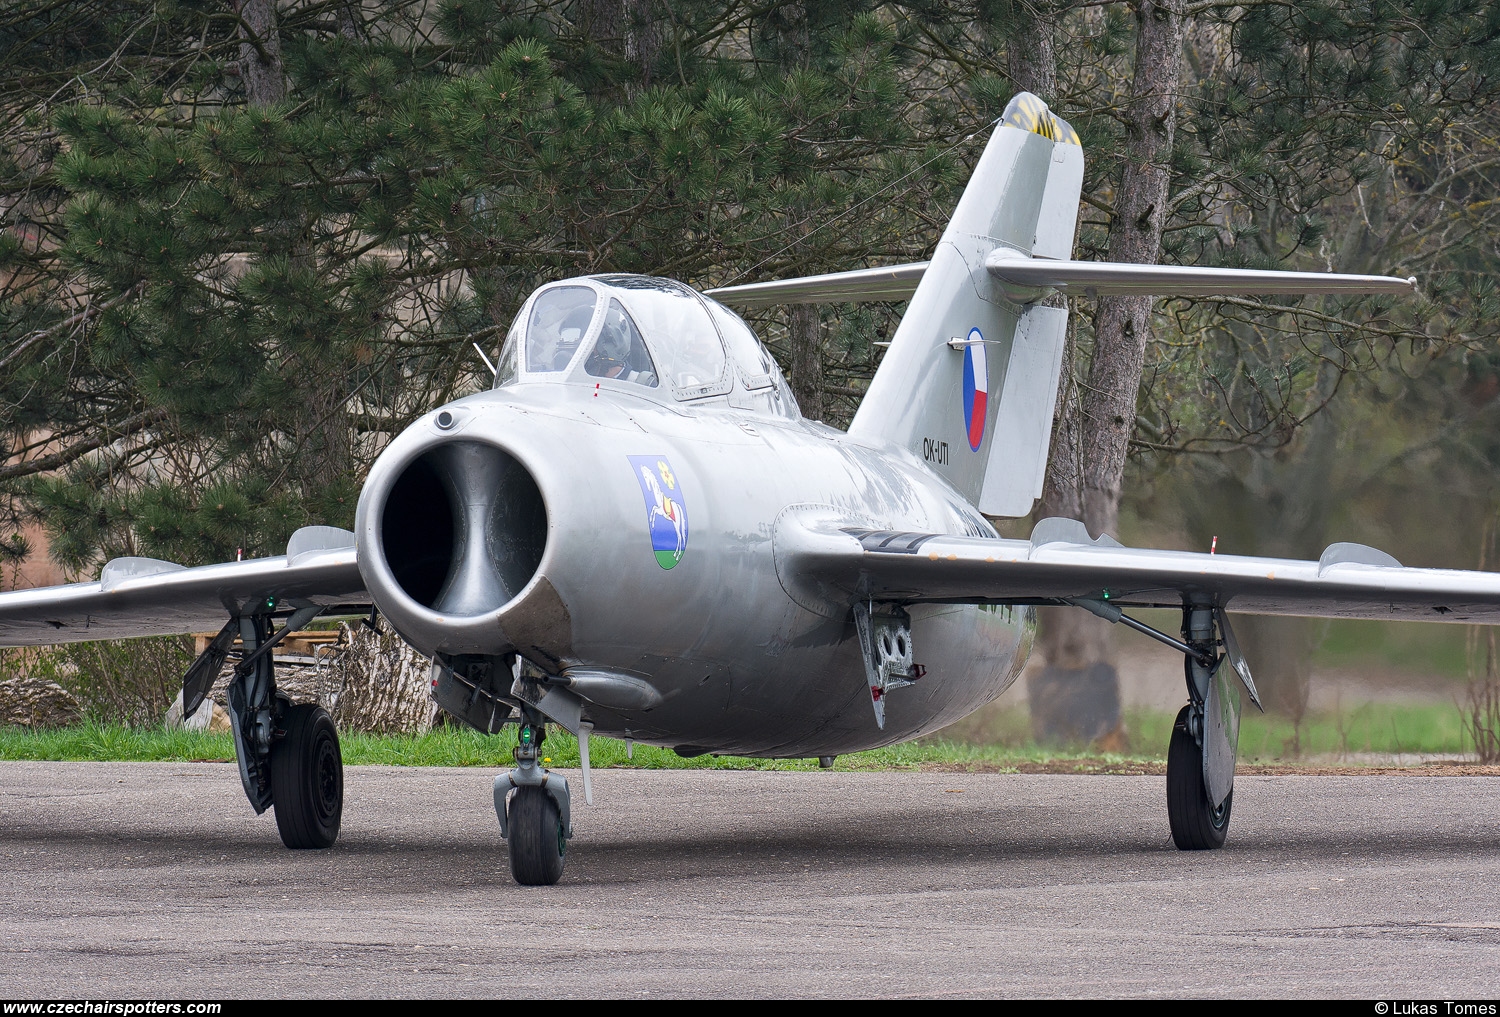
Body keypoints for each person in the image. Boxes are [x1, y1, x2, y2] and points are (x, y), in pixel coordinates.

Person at [585, 300, 658, 386]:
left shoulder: (645, 385)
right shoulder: (581, 383)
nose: (584, 348)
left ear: (614, 342)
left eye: (591, 341)